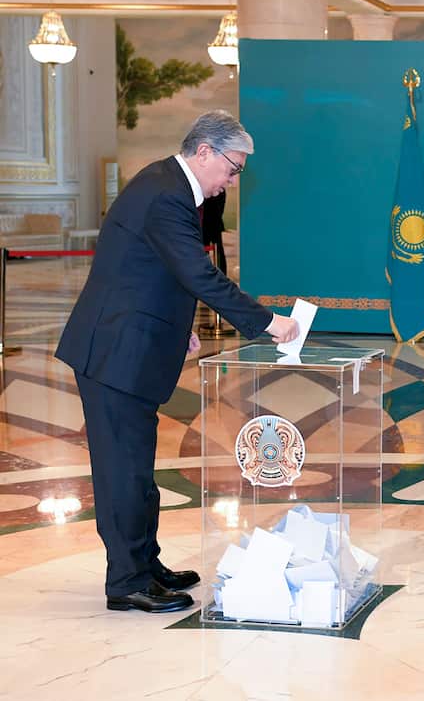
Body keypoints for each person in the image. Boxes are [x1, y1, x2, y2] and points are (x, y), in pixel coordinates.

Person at [55, 111, 300, 613]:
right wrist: (267, 322)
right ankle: (127, 582)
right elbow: (198, 274)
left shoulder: (167, 185)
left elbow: (150, 271)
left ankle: (146, 564)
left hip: (129, 346)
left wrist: (175, 325)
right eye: (233, 168)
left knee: (138, 471)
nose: (233, 181)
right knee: (123, 473)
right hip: (114, 354)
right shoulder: (167, 194)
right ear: (205, 152)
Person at [202, 190, 227, 272]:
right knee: (218, 251)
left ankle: (206, 272)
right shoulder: (221, 190)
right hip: (215, 224)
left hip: (207, 225)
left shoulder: (208, 190)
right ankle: (221, 273)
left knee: (206, 251)